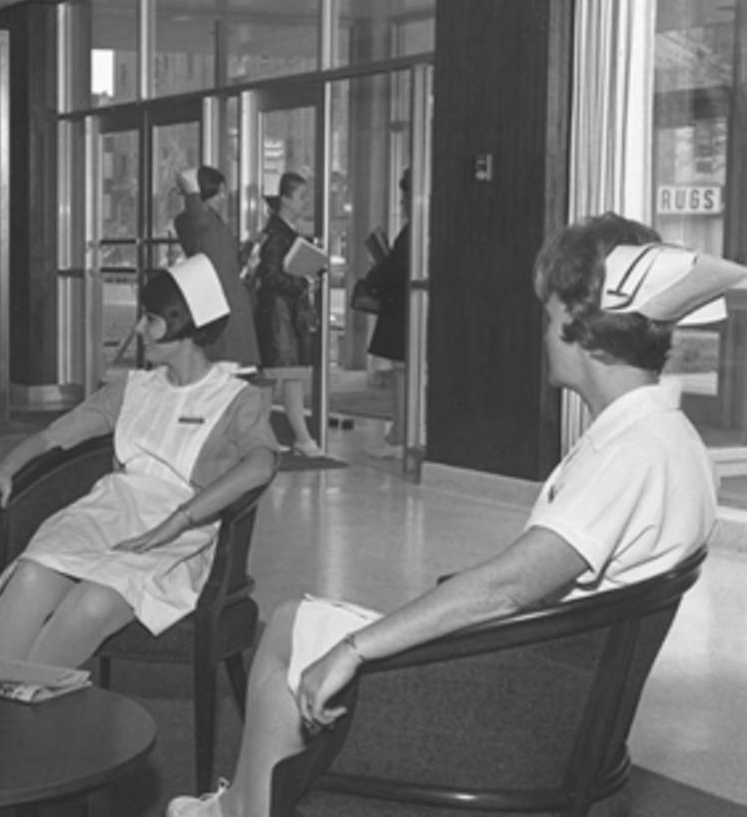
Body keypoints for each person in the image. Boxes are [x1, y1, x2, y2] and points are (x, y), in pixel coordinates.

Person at [168, 212, 736, 817]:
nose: (543, 335)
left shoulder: (634, 454)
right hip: (560, 693)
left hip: (515, 717)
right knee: (291, 622)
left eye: (549, 318)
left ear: (584, 329)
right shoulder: (665, 436)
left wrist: (356, 648)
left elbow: (511, 587)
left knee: (295, 639)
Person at [0, 253, 279, 668]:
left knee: (92, 604)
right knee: (29, 575)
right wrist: (5, 467)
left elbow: (261, 465)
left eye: (151, 319)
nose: (139, 329)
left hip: (182, 536)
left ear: (184, 327)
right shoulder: (132, 389)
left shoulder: (237, 400)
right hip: (108, 513)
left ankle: (24, 718)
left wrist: (179, 520)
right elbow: (52, 436)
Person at [254, 172, 324, 458]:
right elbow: (270, 276)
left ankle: (274, 436)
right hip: (279, 317)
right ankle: (300, 439)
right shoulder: (277, 236)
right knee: (281, 378)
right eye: (301, 197)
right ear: (284, 199)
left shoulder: (281, 232)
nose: (305, 203)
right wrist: (302, 282)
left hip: (282, 316)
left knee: (280, 379)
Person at [174, 166, 262, 372]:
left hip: (230, 300)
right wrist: (190, 186)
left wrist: (248, 250)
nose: (223, 197)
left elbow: (227, 260)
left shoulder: (213, 222)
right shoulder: (195, 221)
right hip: (219, 304)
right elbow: (194, 207)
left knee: (231, 371)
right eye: (218, 191)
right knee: (223, 369)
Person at [360, 170, 411, 459]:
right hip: (406, 308)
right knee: (403, 373)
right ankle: (400, 433)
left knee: (403, 374)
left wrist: (375, 275)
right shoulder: (419, 228)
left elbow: (395, 268)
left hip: (402, 310)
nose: (402, 201)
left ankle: (400, 435)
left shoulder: (411, 231)